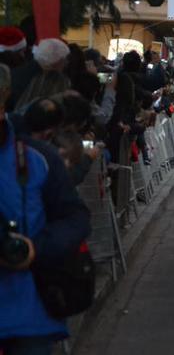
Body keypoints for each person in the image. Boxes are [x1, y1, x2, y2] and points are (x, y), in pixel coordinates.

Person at [0, 65, 91, 355]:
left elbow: (75, 217)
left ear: (5, 95)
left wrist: (34, 249)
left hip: (28, 314)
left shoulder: (36, 157)